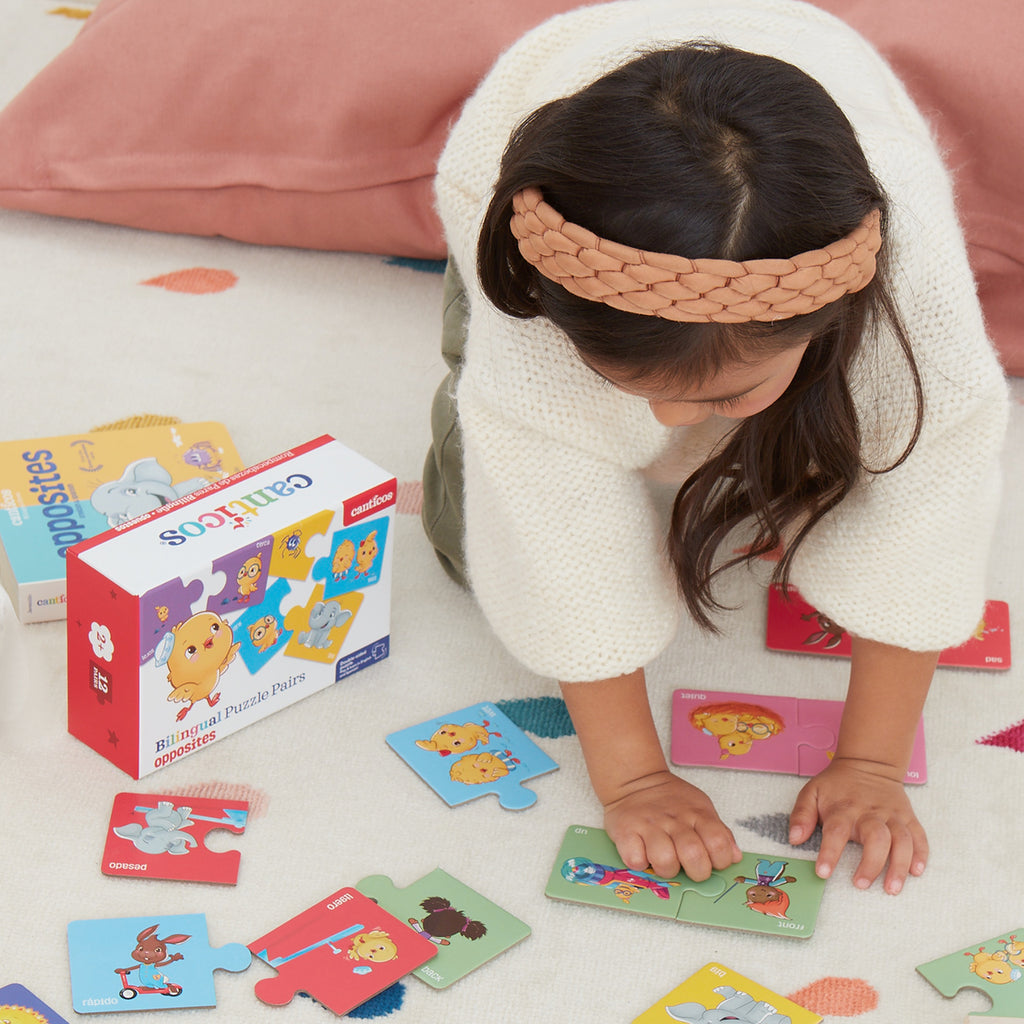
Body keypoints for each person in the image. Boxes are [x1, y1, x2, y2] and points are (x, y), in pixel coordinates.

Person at [422, 0, 1007, 896]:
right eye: (626, 382)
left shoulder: (914, 300)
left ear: (827, 323)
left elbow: (926, 517)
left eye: (719, 396)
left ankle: (737, 394)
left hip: (806, 167)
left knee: (834, 443)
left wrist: (872, 765)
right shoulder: (536, 274)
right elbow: (553, 531)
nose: (666, 423)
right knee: (481, 530)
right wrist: (634, 780)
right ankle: (661, 375)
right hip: (542, 180)